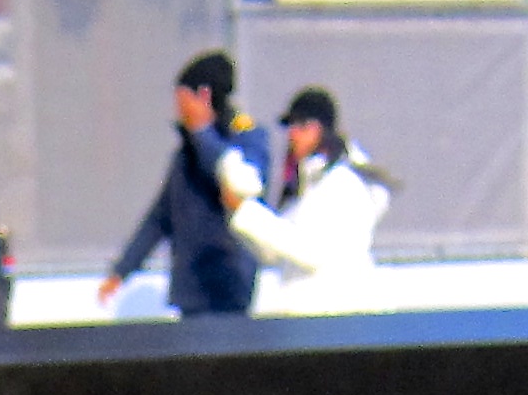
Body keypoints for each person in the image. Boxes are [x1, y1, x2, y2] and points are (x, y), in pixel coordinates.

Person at [96, 49, 270, 319]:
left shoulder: (246, 138)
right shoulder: (186, 155)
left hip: (228, 288)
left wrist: (203, 132)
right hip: (191, 292)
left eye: (183, 100)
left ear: (204, 96)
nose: (179, 110)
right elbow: (159, 218)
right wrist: (121, 271)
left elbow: (241, 182)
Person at [232, 85, 393, 316]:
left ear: (323, 129)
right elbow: (274, 253)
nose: (293, 134)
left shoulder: (342, 183)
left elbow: (312, 250)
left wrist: (247, 212)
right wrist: (238, 211)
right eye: (291, 126)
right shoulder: (308, 185)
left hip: (337, 318)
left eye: (302, 125)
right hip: (312, 322)